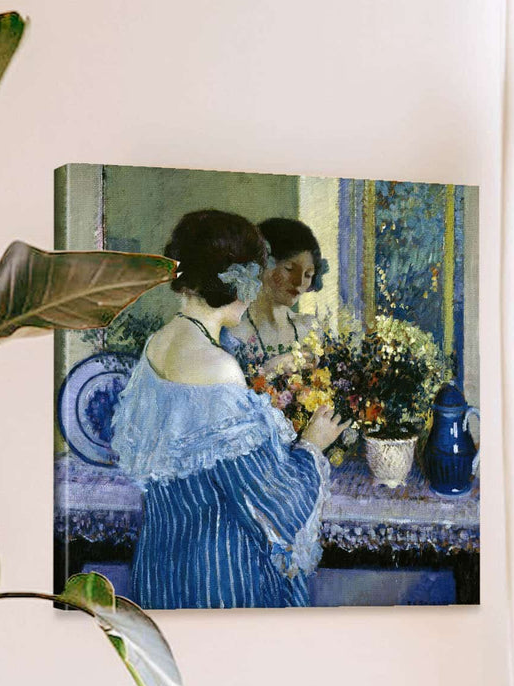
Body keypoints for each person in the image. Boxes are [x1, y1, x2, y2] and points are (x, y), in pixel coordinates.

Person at [110, 209, 346, 609]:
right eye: (254, 276)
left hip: (162, 568)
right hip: (219, 576)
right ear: (235, 280)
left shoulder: (159, 343)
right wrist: (311, 445)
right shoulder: (217, 368)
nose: (254, 292)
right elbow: (271, 501)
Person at [223, 217, 328, 362]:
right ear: (262, 265)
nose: (299, 282)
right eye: (289, 269)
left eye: (308, 274)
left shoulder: (311, 328)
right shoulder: (234, 334)